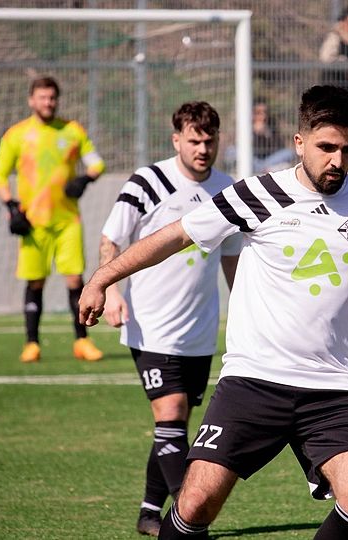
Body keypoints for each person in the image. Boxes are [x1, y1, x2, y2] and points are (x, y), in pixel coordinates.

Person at [78, 85, 348, 540]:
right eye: (326, 148)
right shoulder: (257, 194)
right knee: (196, 500)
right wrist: (102, 278)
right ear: (299, 142)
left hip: (333, 387)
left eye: (347, 150)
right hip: (253, 380)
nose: (338, 161)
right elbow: (176, 236)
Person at [97, 101, 240, 536]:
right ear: (176, 139)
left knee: (175, 426)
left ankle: (148, 513)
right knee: (171, 413)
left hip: (199, 330)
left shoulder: (228, 189)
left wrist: (246, 311)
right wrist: (110, 290)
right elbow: (111, 239)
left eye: (209, 141)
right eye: (194, 141)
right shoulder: (148, 181)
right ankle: (187, 521)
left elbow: (232, 259)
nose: (202, 149)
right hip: (150, 326)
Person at [0, 76, 106, 363]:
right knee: (35, 282)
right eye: (42, 97)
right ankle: (32, 344)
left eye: (52, 97)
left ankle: (82, 341)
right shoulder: (16, 135)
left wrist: (85, 179)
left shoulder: (72, 130)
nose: (48, 102)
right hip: (33, 224)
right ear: (31, 100)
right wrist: (11, 206)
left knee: (75, 279)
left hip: (67, 221)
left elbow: (97, 163)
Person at [251, 99, 297, 173]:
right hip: (253, 160)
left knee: (289, 152)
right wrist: (254, 133)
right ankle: (266, 169)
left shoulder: (272, 124)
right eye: (258, 113)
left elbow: (279, 147)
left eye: (265, 112)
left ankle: (263, 169)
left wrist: (267, 134)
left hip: (270, 159)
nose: (263, 116)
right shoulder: (245, 127)